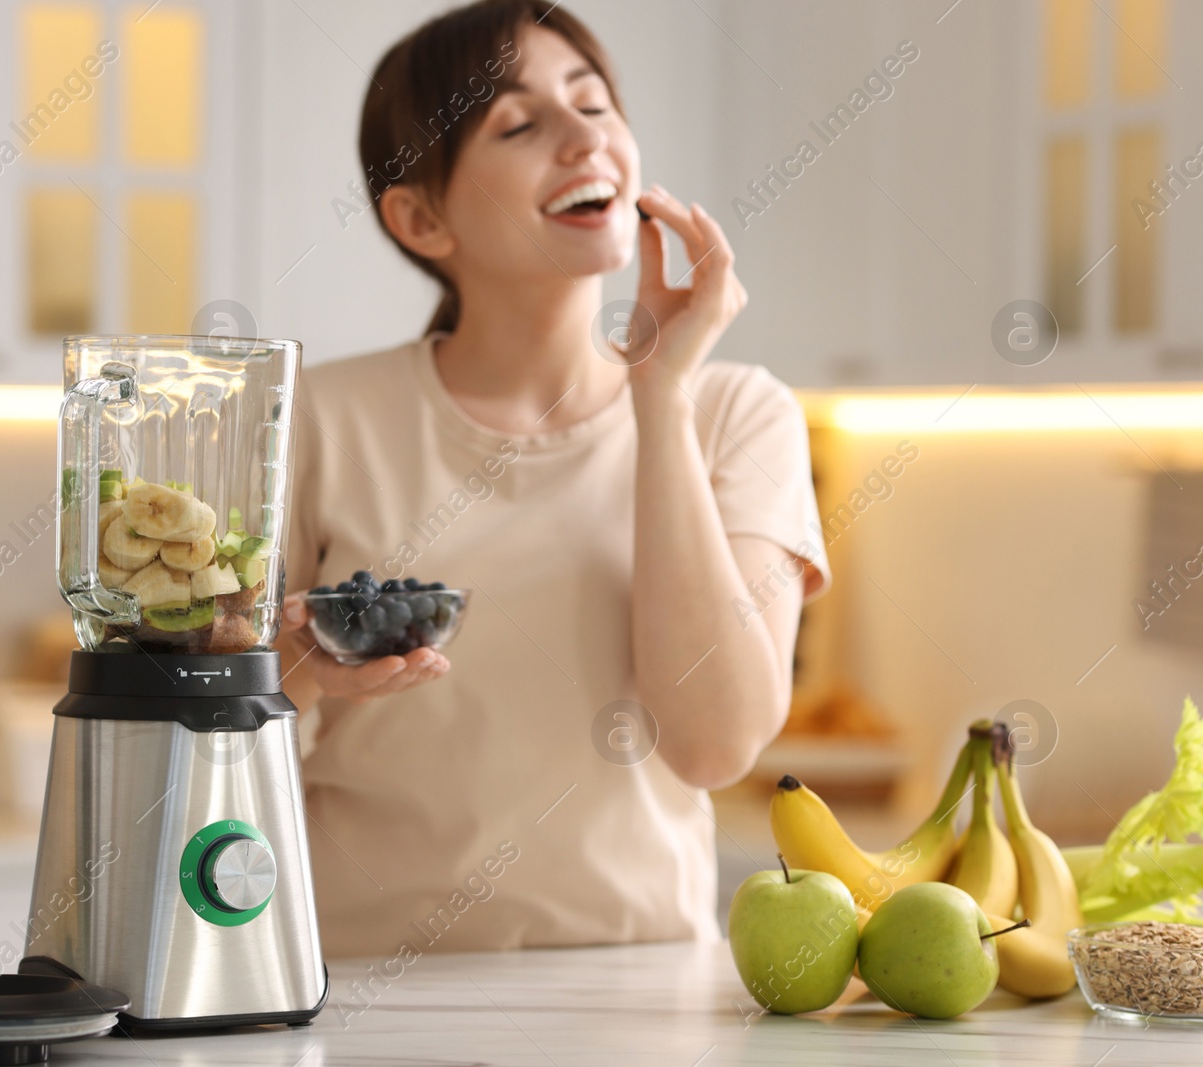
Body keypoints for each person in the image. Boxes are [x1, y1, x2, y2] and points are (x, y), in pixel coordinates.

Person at [275, 0, 830, 958]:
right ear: (421, 216)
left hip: (639, 994)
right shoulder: (313, 419)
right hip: (363, 990)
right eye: (521, 124)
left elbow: (715, 742)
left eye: (596, 104)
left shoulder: (738, 412)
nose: (585, 138)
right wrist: (306, 678)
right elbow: (210, 745)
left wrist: (659, 396)